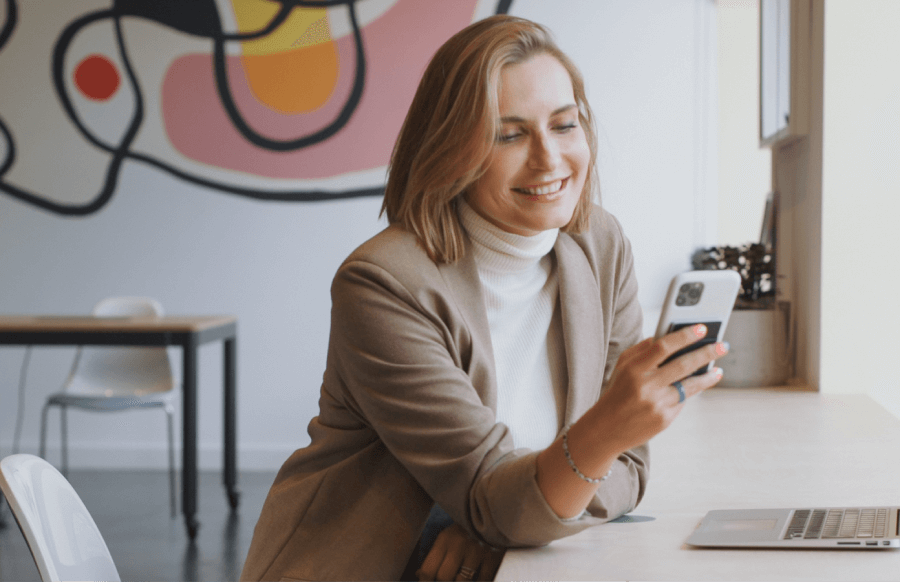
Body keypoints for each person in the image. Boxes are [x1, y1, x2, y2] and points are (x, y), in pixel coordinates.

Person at [240, 14, 727, 582]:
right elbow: (544, 484)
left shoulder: (599, 244)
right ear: (453, 148)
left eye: (564, 125)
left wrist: (509, 522)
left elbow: (628, 473)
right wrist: (529, 499)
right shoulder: (382, 284)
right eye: (509, 134)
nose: (548, 158)